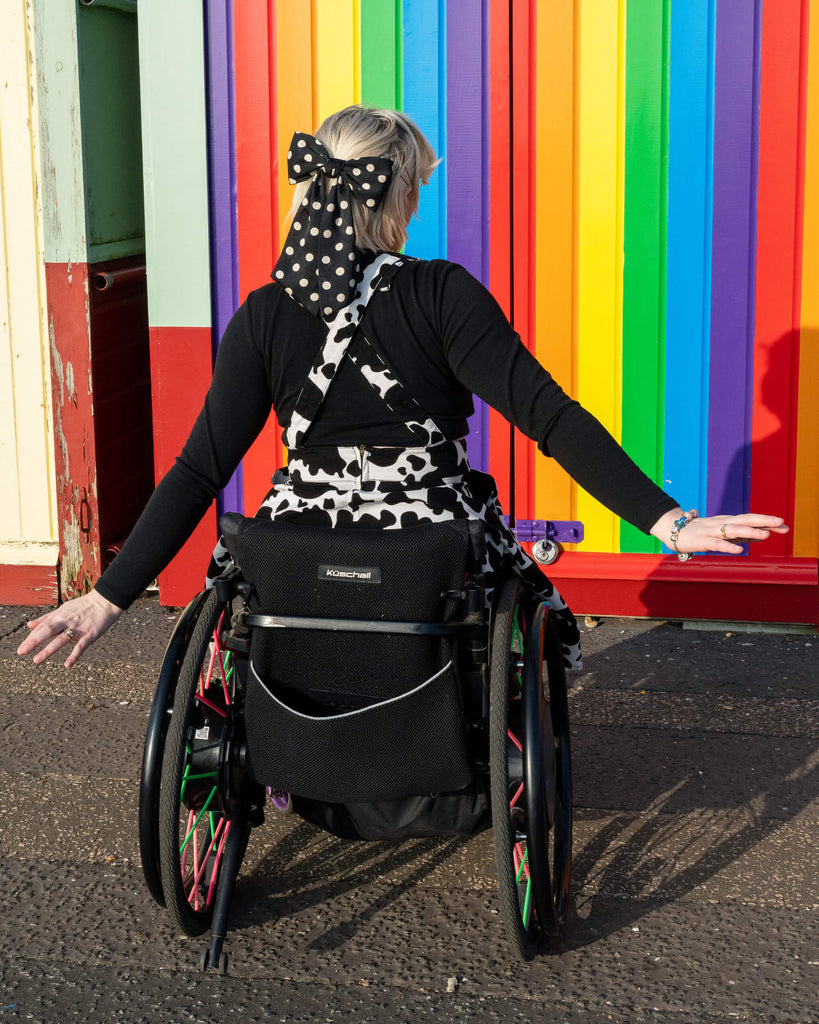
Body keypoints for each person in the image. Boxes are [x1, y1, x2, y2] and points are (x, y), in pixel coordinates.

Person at [17, 106, 787, 670]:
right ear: (400, 198)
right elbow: (548, 417)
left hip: (298, 553)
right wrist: (666, 520)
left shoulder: (263, 314)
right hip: (427, 551)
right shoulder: (443, 294)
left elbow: (198, 471)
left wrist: (109, 595)